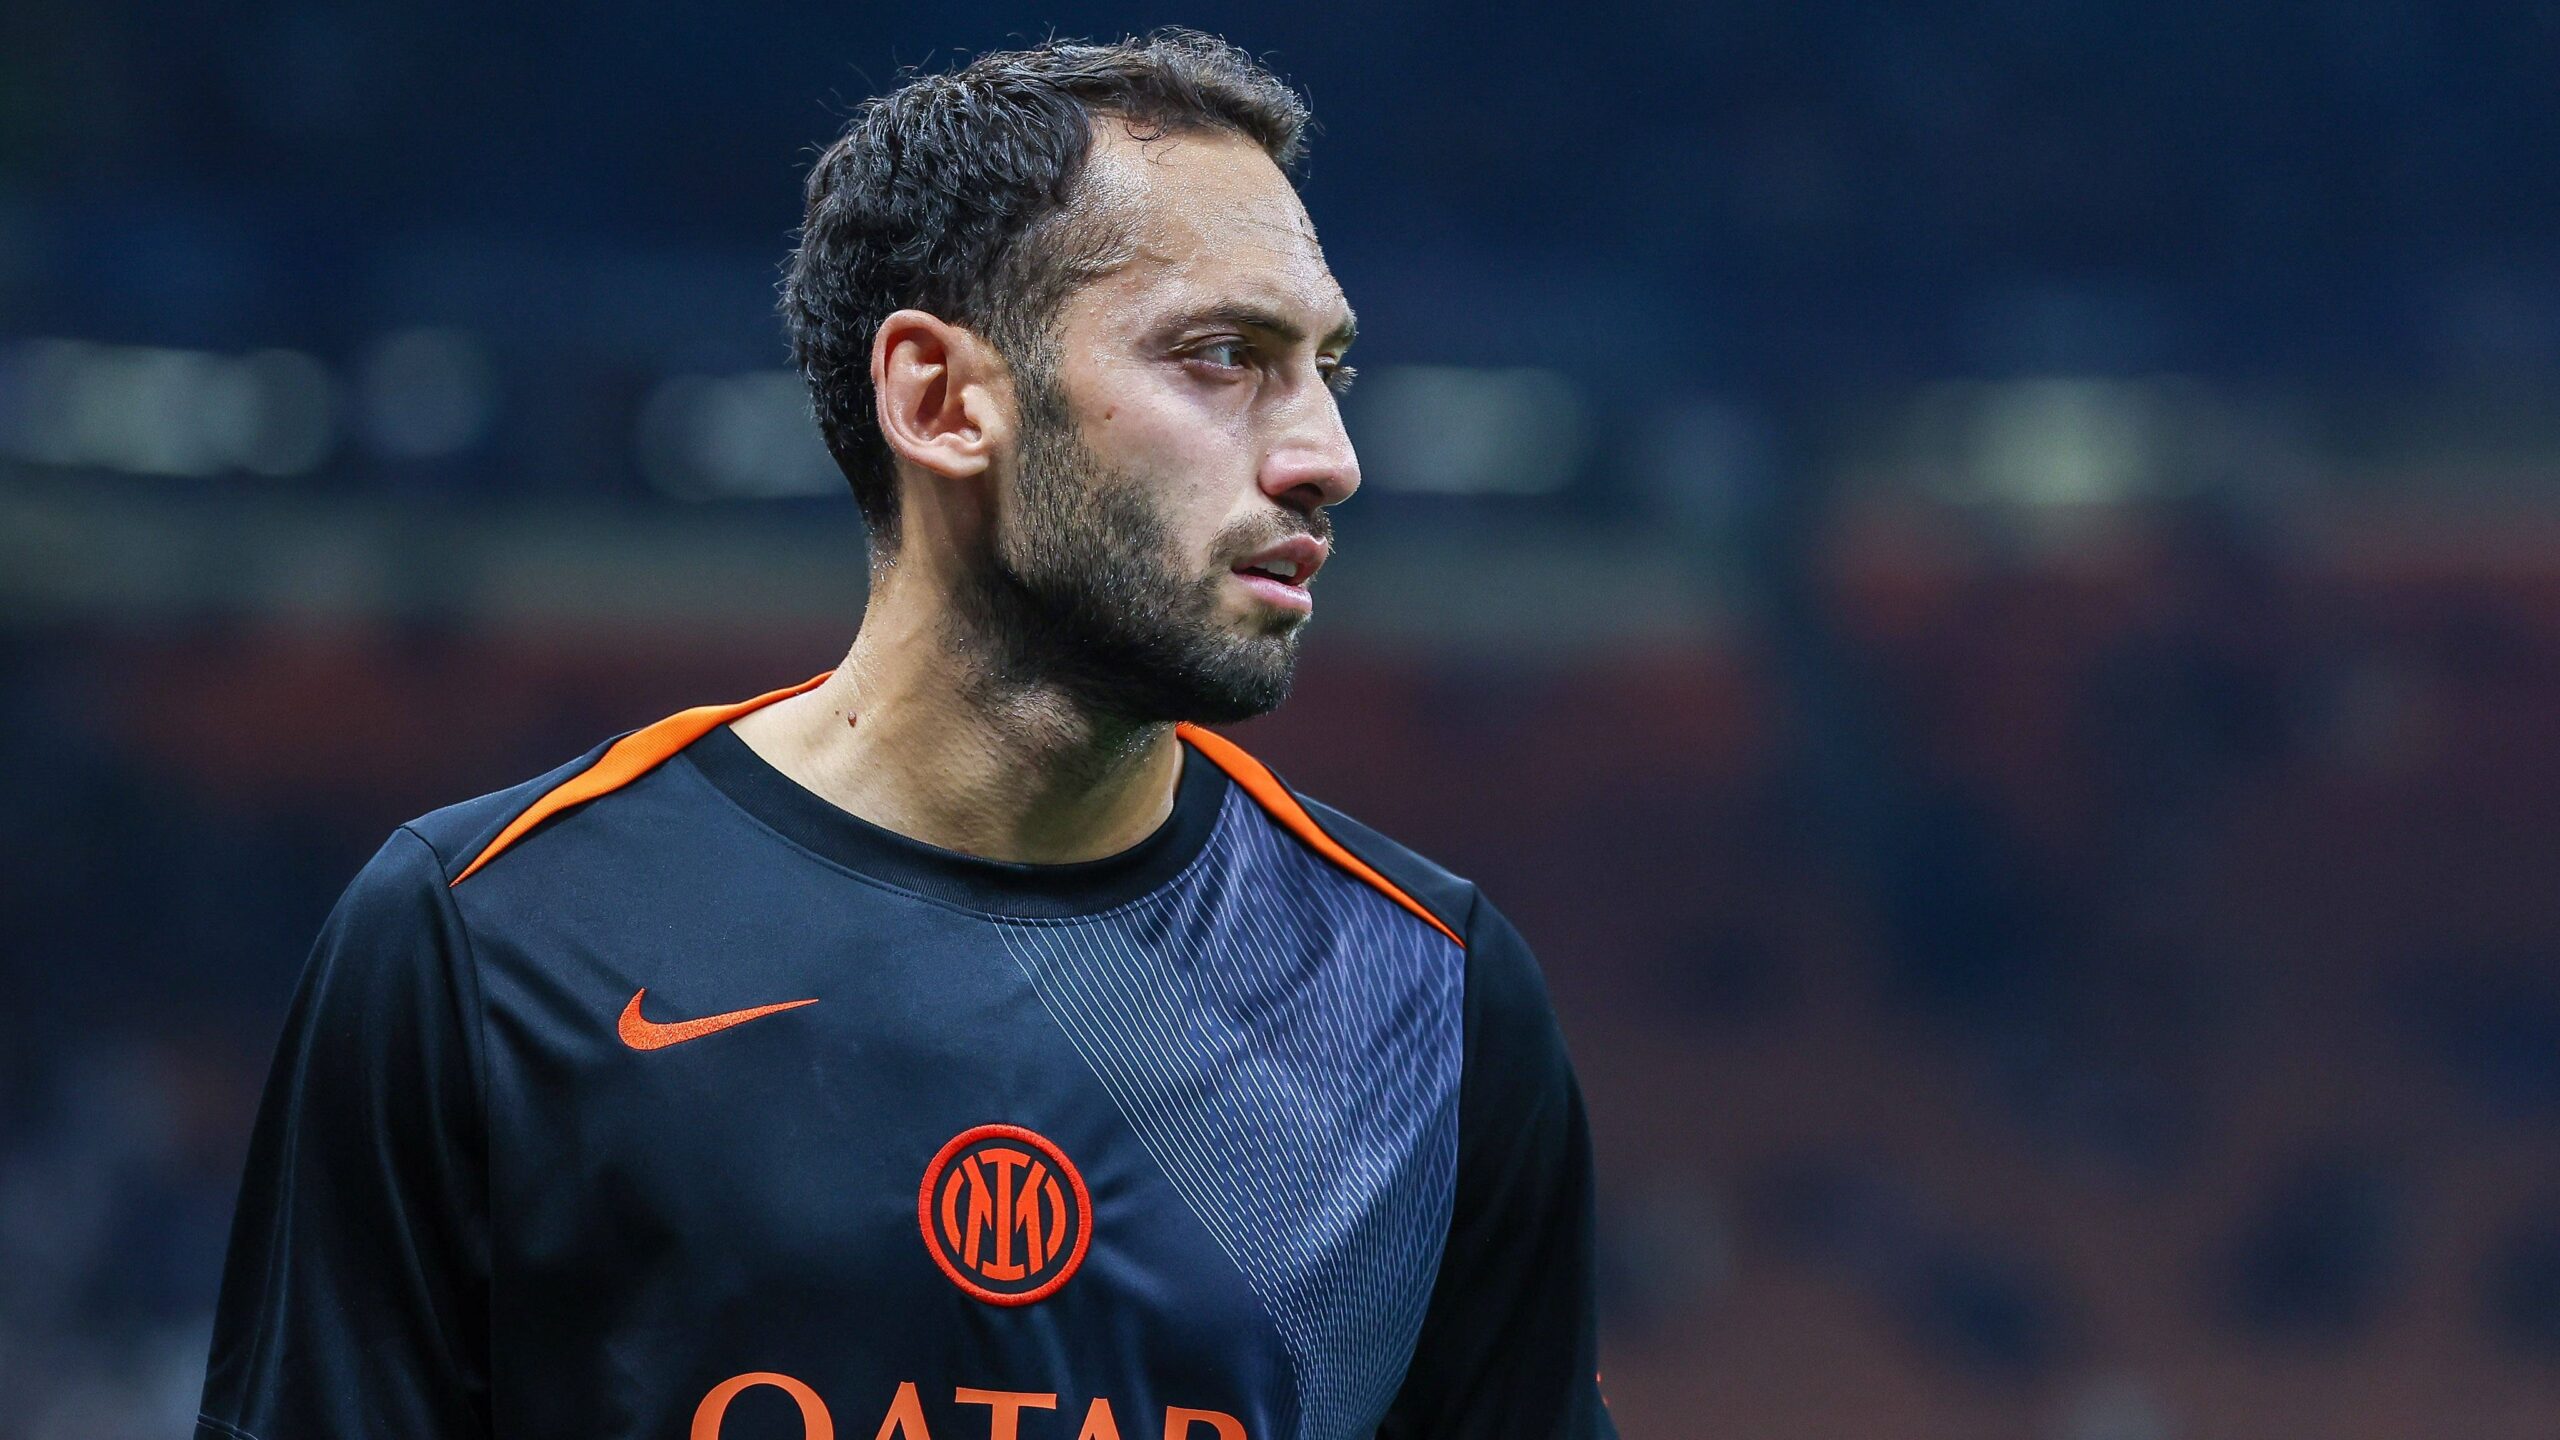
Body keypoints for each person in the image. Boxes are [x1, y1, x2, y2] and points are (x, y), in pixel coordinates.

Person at [198, 30, 1613, 1440]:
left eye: (1328, 371)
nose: (1327, 459)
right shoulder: (488, 938)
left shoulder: (1427, 999)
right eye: (1225, 356)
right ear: (939, 401)